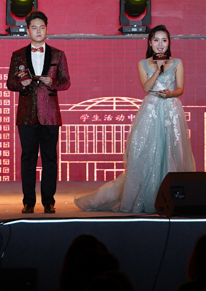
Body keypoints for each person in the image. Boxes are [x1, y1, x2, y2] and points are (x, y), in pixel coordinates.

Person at [76, 24, 195, 213]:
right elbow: (146, 88)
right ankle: (147, 196)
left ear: (169, 43)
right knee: (147, 151)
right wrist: (158, 71)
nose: (160, 44)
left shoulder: (177, 63)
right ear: (150, 43)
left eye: (164, 40)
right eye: (156, 40)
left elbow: (180, 89)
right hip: (151, 110)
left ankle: (172, 197)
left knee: (172, 151)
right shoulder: (143, 64)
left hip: (171, 110)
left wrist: (170, 94)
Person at [5, 10, 70, 213]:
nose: (38, 31)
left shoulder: (58, 54)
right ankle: (28, 202)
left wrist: (52, 81)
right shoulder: (18, 55)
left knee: (50, 159)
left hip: (50, 115)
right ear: (28, 31)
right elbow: (10, 83)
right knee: (28, 159)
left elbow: (66, 82)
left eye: (42, 27)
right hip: (26, 115)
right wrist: (21, 84)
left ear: (46, 29)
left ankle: (49, 201)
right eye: (34, 27)